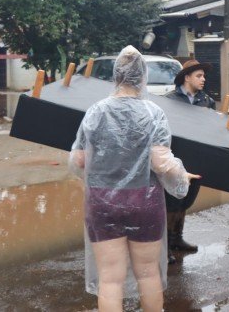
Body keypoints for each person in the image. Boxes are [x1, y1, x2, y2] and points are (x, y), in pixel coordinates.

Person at [68, 45, 199, 312]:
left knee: (110, 278)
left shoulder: (95, 112)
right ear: (143, 77)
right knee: (149, 274)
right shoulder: (153, 113)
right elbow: (161, 162)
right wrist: (182, 175)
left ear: (116, 76)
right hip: (144, 202)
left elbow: (79, 161)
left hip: (101, 202)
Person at [163, 59, 216, 264]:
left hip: (196, 161)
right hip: (174, 161)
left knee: (185, 200)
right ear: (187, 77)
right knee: (171, 203)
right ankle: (165, 246)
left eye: (204, 76)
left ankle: (177, 239)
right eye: (199, 76)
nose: (203, 80)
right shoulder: (169, 100)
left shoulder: (207, 101)